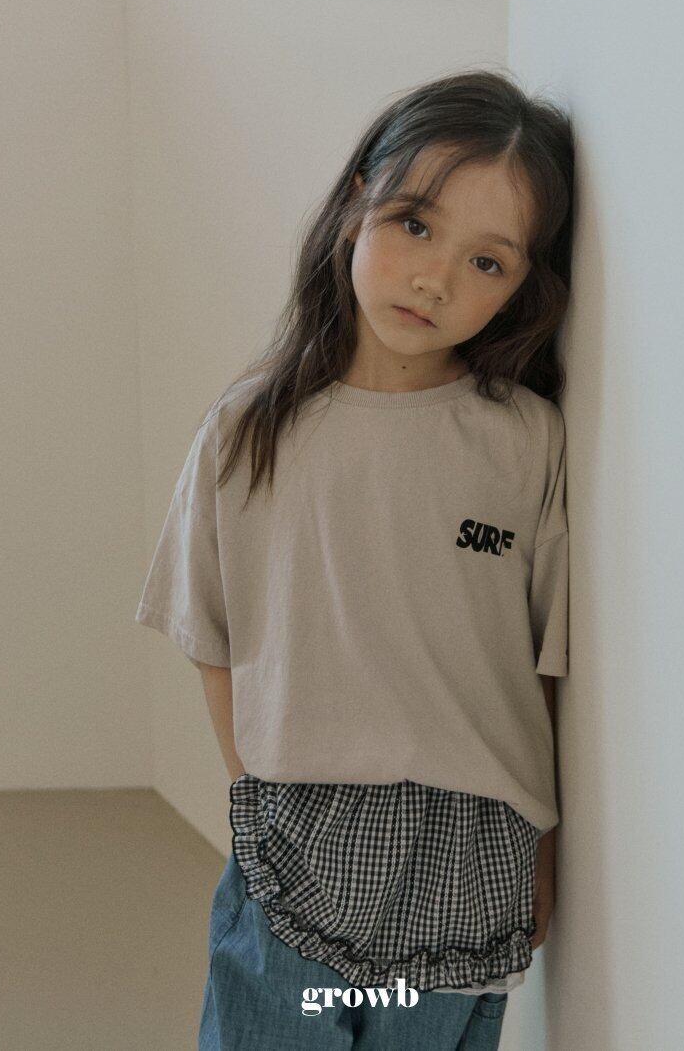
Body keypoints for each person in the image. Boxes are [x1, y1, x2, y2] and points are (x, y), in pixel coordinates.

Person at [135, 66, 574, 1050]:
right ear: (354, 206)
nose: (434, 279)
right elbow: (210, 634)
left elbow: (543, 664)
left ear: (522, 288)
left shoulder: (525, 441)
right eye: (414, 224)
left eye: (486, 261)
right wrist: (260, 800)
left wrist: (540, 848)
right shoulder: (251, 429)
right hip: (298, 837)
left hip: (471, 855)